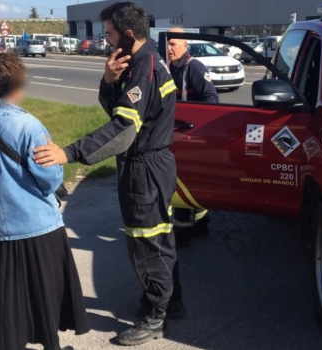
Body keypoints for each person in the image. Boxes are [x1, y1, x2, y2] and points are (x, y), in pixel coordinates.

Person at [33, 2, 181, 346]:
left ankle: (154, 316)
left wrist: (68, 153)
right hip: (153, 165)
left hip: (145, 168)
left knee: (147, 243)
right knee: (161, 237)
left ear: (129, 34)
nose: (106, 40)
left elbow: (124, 129)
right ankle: (171, 303)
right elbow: (124, 109)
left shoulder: (145, 69)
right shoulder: (143, 60)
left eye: (111, 33)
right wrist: (108, 80)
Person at [0, 53, 89, 350]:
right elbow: (49, 179)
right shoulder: (29, 126)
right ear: (17, 85)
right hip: (37, 227)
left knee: (3, 301)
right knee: (44, 298)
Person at [166, 27, 218, 246]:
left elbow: (212, 99)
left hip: (190, 133)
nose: (169, 49)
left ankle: (184, 233)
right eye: (168, 44)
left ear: (185, 45)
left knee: (183, 181)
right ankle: (200, 225)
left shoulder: (193, 67)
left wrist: (197, 123)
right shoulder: (170, 67)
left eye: (174, 44)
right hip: (176, 133)